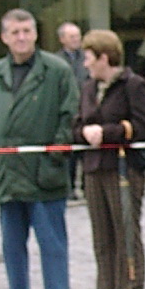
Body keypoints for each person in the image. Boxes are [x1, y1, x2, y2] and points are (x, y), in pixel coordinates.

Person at [0, 8, 78, 289]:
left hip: (43, 174)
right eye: (15, 32)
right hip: (7, 174)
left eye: (27, 31)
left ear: (36, 34)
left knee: (52, 245)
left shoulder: (57, 70)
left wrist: (56, 156)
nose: (21, 37)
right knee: (11, 246)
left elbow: (69, 116)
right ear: (4, 37)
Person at [75, 28, 145, 289]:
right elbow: (76, 124)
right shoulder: (87, 89)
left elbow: (144, 125)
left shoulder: (133, 85)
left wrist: (108, 133)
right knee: (102, 242)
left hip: (123, 170)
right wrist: (83, 133)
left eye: (88, 58)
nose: (85, 64)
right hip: (94, 169)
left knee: (126, 240)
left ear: (104, 57)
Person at [56, 22, 88, 199]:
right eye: (72, 37)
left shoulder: (87, 58)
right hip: (67, 111)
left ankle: (87, 186)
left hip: (87, 110)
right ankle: (69, 187)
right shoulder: (56, 60)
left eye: (78, 36)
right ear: (62, 39)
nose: (76, 40)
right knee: (70, 154)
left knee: (87, 151)